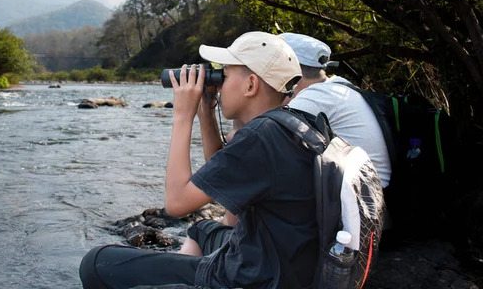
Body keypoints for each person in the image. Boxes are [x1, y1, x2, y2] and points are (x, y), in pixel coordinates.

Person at [79, 31, 319, 289]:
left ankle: (191, 280)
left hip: (251, 277)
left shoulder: (259, 139)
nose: (218, 82)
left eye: (224, 74)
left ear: (250, 85)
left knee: (95, 263)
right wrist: (206, 110)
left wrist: (183, 115)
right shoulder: (288, 126)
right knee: (200, 228)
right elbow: (223, 173)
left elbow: (176, 204)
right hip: (280, 264)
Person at [280, 32, 392, 188]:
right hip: (374, 196)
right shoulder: (338, 86)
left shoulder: (315, 97)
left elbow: (263, 140)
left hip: (365, 202)